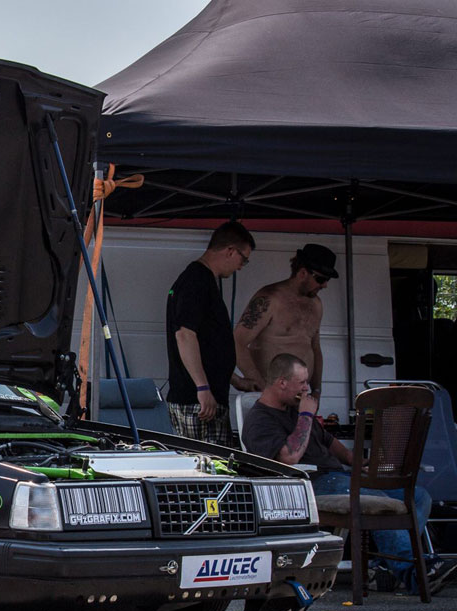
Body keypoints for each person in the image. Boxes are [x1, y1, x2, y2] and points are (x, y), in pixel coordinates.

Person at [242, 352, 451, 589]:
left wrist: (356, 461)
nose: (307, 388)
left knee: (418, 496)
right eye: (301, 383)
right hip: (310, 484)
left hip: (337, 476)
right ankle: (414, 572)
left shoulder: (293, 409)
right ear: (281, 382)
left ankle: (386, 567)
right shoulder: (260, 419)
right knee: (376, 500)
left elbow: (329, 441)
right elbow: (289, 457)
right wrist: (307, 415)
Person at [165, 220, 255, 445]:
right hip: (197, 400)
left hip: (204, 396)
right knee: (209, 467)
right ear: (230, 251)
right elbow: (185, 335)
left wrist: (233, 379)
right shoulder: (197, 280)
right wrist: (203, 388)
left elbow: (208, 344)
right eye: (243, 259)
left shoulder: (202, 281)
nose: (241, 267)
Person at [234, 243, 338, 395]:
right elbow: (237, 342)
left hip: (298, 396)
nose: (325, 285)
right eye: (321, 279)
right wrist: (261, 387)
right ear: (302, 273)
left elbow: (315, 348)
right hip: (270, 395)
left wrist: (316, 390)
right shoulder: (270, 298)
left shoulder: (316, 304)